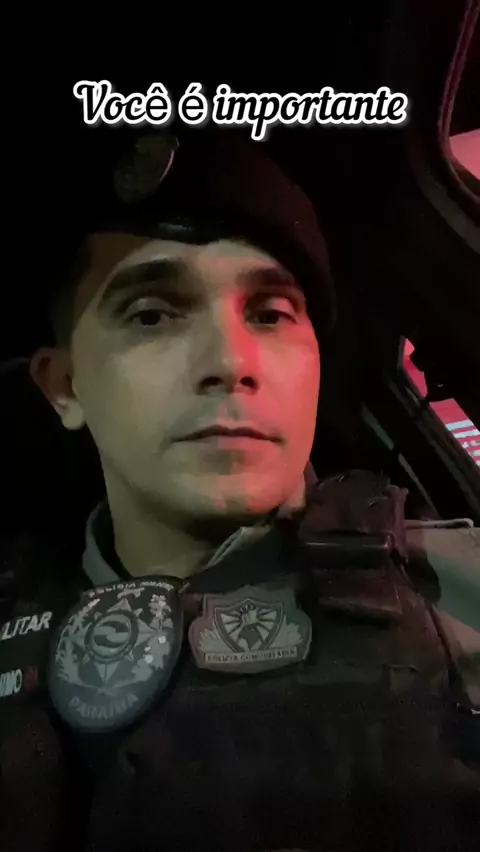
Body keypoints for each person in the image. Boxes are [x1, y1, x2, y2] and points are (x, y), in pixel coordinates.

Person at [0, 129, 478, 852]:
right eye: (152, 315)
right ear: (65, 386)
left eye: (270, 314)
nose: (230, 360)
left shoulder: (464, 594)